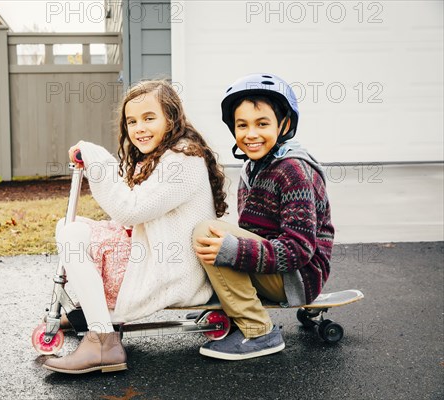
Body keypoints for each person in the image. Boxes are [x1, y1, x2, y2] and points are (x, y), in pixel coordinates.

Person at [44, 80, 228, 374]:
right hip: (161, 259)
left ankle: (102, 340)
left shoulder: (182, 161)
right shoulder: (164, 156)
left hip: (173, 271)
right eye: (132, 121)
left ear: (172, 118)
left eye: (149, 118)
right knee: (72, 228)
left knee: (71, 234)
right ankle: (95, 316)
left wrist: (96, 158)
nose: (139, 128)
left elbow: (129, 211)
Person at [193, 73, 335, 361]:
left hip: (298, 276)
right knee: (212, 234)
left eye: (262, 124)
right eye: (241, 125)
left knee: (209, 232)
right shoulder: (254, 168)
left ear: (284, 125)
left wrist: (236, 251)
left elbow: (300, 249)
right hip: (275, 270)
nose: (251, 134)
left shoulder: (293, 170)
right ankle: (236, 307)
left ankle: (259, 331)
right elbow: (253, 231)